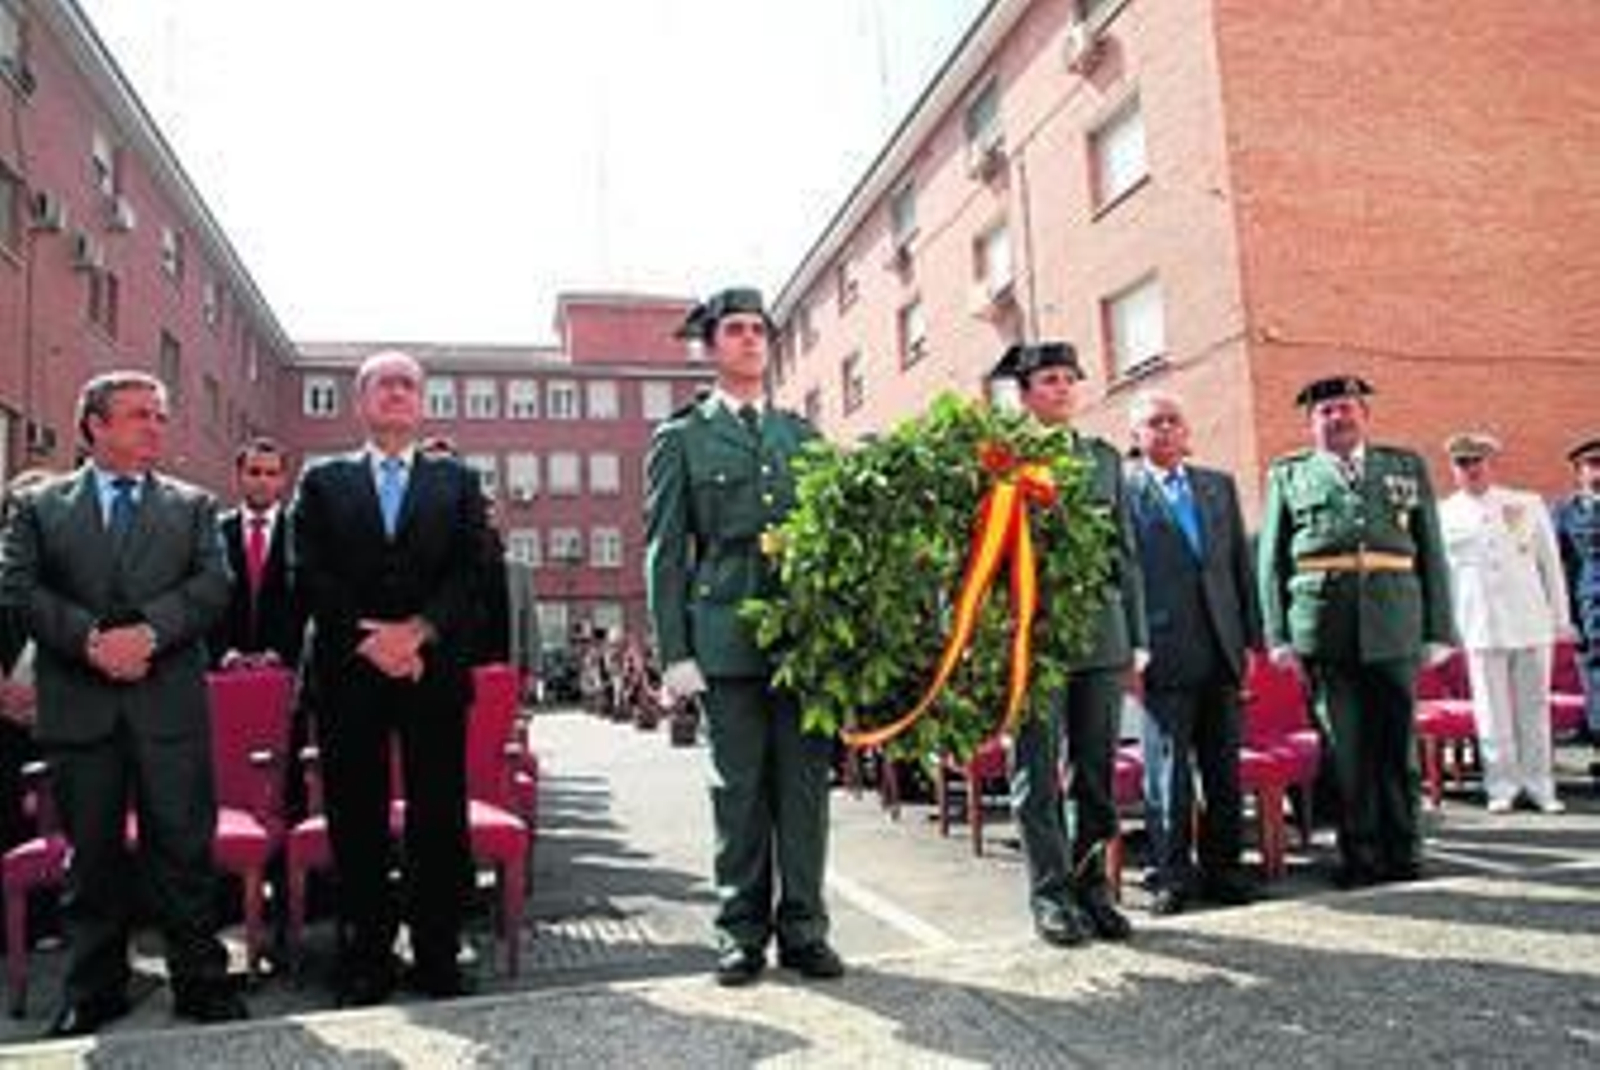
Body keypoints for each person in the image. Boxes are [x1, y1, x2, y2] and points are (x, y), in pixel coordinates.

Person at [0, 371, 244, 1034]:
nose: (155, 427)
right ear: (95, 426)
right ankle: (93, 988)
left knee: (184, 849)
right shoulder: (41, 506)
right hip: (82, 706)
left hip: (167, 705)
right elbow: (18, 589)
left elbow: (213, 586)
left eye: (160, 416)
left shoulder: (192, 506)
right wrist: (89, 641)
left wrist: (150, 633)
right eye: (139, 415)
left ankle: (201, 979)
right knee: (93, 857)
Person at [645, 287, 841, 986]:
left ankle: (805, 930)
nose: (751, 340)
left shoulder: (802, 437)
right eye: (735, 330)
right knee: (738, 791)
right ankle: (740, 932)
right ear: (709, 346)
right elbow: (666, 552)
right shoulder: (682, 439)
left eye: (760, 330)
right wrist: (676, 654)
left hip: (803, 643)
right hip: (725, 639)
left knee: (805, 791)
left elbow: (834, 542)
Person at [290, 349, 488, 1005]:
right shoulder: (323, 482)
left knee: (438, 815)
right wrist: (369, 639)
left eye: (409, 384)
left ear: (423, 401)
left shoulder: (457, 481)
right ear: (361, 400)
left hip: (431, 670)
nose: (398, 393)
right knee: (356, 817)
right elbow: (309, 572)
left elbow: (471, 571)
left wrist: (419, 631)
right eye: (385, 384)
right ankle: (365, 955)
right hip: (352, 674)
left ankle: (436, 953)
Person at [1257, 375, 1455, 888]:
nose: (1337, 418)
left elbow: (1431, 550)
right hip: (1325, 626)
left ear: (1364, 415)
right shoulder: (1288, 475)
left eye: (1345, 408)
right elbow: (1271, 562)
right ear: (1311, 423)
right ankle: (1359, 852)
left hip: (1395, 621)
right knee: (1344, 749)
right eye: (1325, 412)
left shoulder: (1402, 467)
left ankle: (1404, 846)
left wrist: (1439, 629)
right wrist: (1278, 636)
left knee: (1397, 744)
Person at [989, 341, 1147, 947]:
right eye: (1048, 380)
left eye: (1067, 379)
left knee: (1096, 774)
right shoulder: (1001, 459)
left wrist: (1135, 638)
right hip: (1033, 636)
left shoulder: (1104, 460)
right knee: (1034, 770)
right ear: (1025, 394)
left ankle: (1092, 890)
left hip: (1101, 634)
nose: (1060, 389)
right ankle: (1050, 895)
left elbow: (1124, 554)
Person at [1125, 390, 1261, 915]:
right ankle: (1169, 875)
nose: (1164, 429)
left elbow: (1237, 570)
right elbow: (1125, 578)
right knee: (1167, 774)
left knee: (1223, 770)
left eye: (1172, 421)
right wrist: (1132, 652)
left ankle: (1225, 870)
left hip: (1221, 648)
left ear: (1187, 431)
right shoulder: (1125, 491)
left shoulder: (1217, 487)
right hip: (1162, 652)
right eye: (1153, 423)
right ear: (1136, 437)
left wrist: (1250, 640)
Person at [1437, 432, 1571, 813]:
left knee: (1534, 709)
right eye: (1463, 463)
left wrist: (1560, 618)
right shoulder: (1444, 513)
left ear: (1490, 463)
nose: (1471, 469)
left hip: (1530, 620)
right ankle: (1502, 786)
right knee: (1491, 712)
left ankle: (1541, 785)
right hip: (1479, 624)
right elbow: (1444, 578)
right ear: (1453, 470)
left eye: (1477, 461)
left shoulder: (1525, 504)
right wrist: (1447, 631)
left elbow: (1550, 566)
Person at [209, 438, 304, 671]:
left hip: (284, 669)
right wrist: (225, 655)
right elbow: (205, 601)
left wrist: (280, 653)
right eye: (254, 472)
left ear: (283, 480)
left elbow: (305, 602)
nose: (263, 481)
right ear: (239, 476)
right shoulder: (213, 531)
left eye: (272, 474)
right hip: (223, 668)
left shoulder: (301, 533)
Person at [1553, 437, 1600, 756]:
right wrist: (1565, 615)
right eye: (1593, 466)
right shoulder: (1565, 512)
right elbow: (1559, 567)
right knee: (1597, 685)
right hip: (1591, 612)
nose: (1599, 473)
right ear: (1579, 472)